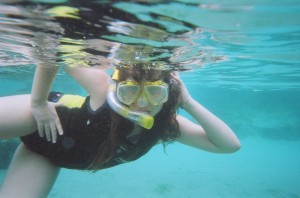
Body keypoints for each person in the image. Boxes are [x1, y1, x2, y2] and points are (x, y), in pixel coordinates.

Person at [0, 64, 240, 198]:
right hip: (41, 116)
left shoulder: (165, 126)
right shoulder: (102, 88)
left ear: (168, 96)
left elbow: (229, 145)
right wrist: (38, 102)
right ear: (117, 89)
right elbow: (55, 48)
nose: (142, 104)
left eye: (155, 93)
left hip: (47, 153)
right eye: (129, 92)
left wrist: (187, 101)